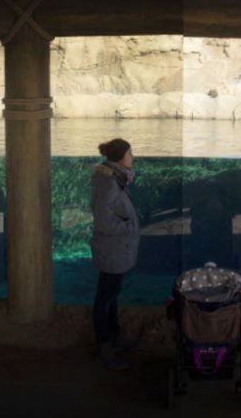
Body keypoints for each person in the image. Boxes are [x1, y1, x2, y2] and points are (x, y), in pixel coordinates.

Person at [90, 138, 142, 370]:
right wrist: (129, 228)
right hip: (112, 249)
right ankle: (104, 348)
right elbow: (103, 221)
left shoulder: (116, 178)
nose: (133, 157)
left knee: (111, 295)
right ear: (121, 157)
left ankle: (114, 338)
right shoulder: (109, 183)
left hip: (116, 249)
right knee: (105, 299)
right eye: (130, 153)